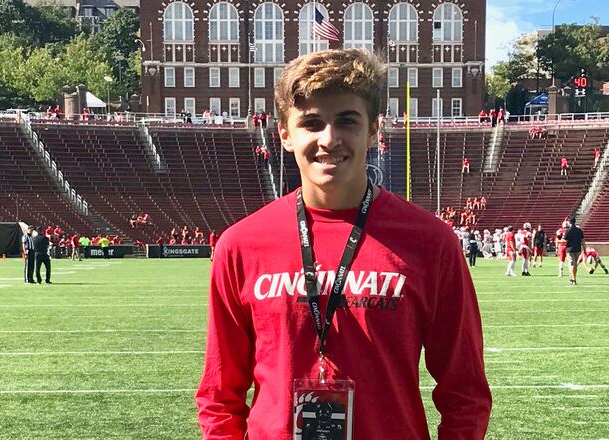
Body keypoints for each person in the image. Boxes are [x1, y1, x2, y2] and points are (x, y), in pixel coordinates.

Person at [196, 48, 491, 440]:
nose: (329, 139)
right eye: (312, 123)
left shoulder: (432, 243)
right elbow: (219, 393)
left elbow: (465, 390)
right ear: (285, 134)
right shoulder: (241, 245)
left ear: (373, 130)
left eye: (347, 121)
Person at [563, 217, 585, 285]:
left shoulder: (568, 230)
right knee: (575, 265)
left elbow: (565, 241)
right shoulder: (579, 230)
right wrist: (584, 249)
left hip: (570, 249)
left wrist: (558, 241)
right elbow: (583, 241)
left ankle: (572, 279)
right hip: (578, 249)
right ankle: (573, 278)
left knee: (571, 264)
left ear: (569, 222)